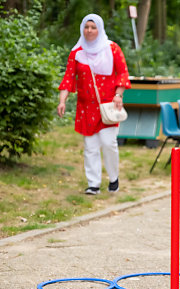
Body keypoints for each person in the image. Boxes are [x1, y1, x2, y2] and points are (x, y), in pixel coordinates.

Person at [57, 14, 131, 195]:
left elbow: (122, 74)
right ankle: (93, 184)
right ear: (82, 28)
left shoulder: (112, 49)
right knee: (90, 147)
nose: (89, 31)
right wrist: (62, 101)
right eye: (86, 27)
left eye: (93, 27)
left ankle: (113, 179)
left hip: (107, 106)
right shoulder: (77, 53)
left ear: (100, 29)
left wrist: (118, 95)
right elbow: (68, 78)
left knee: (108, 144)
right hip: (86, 108)